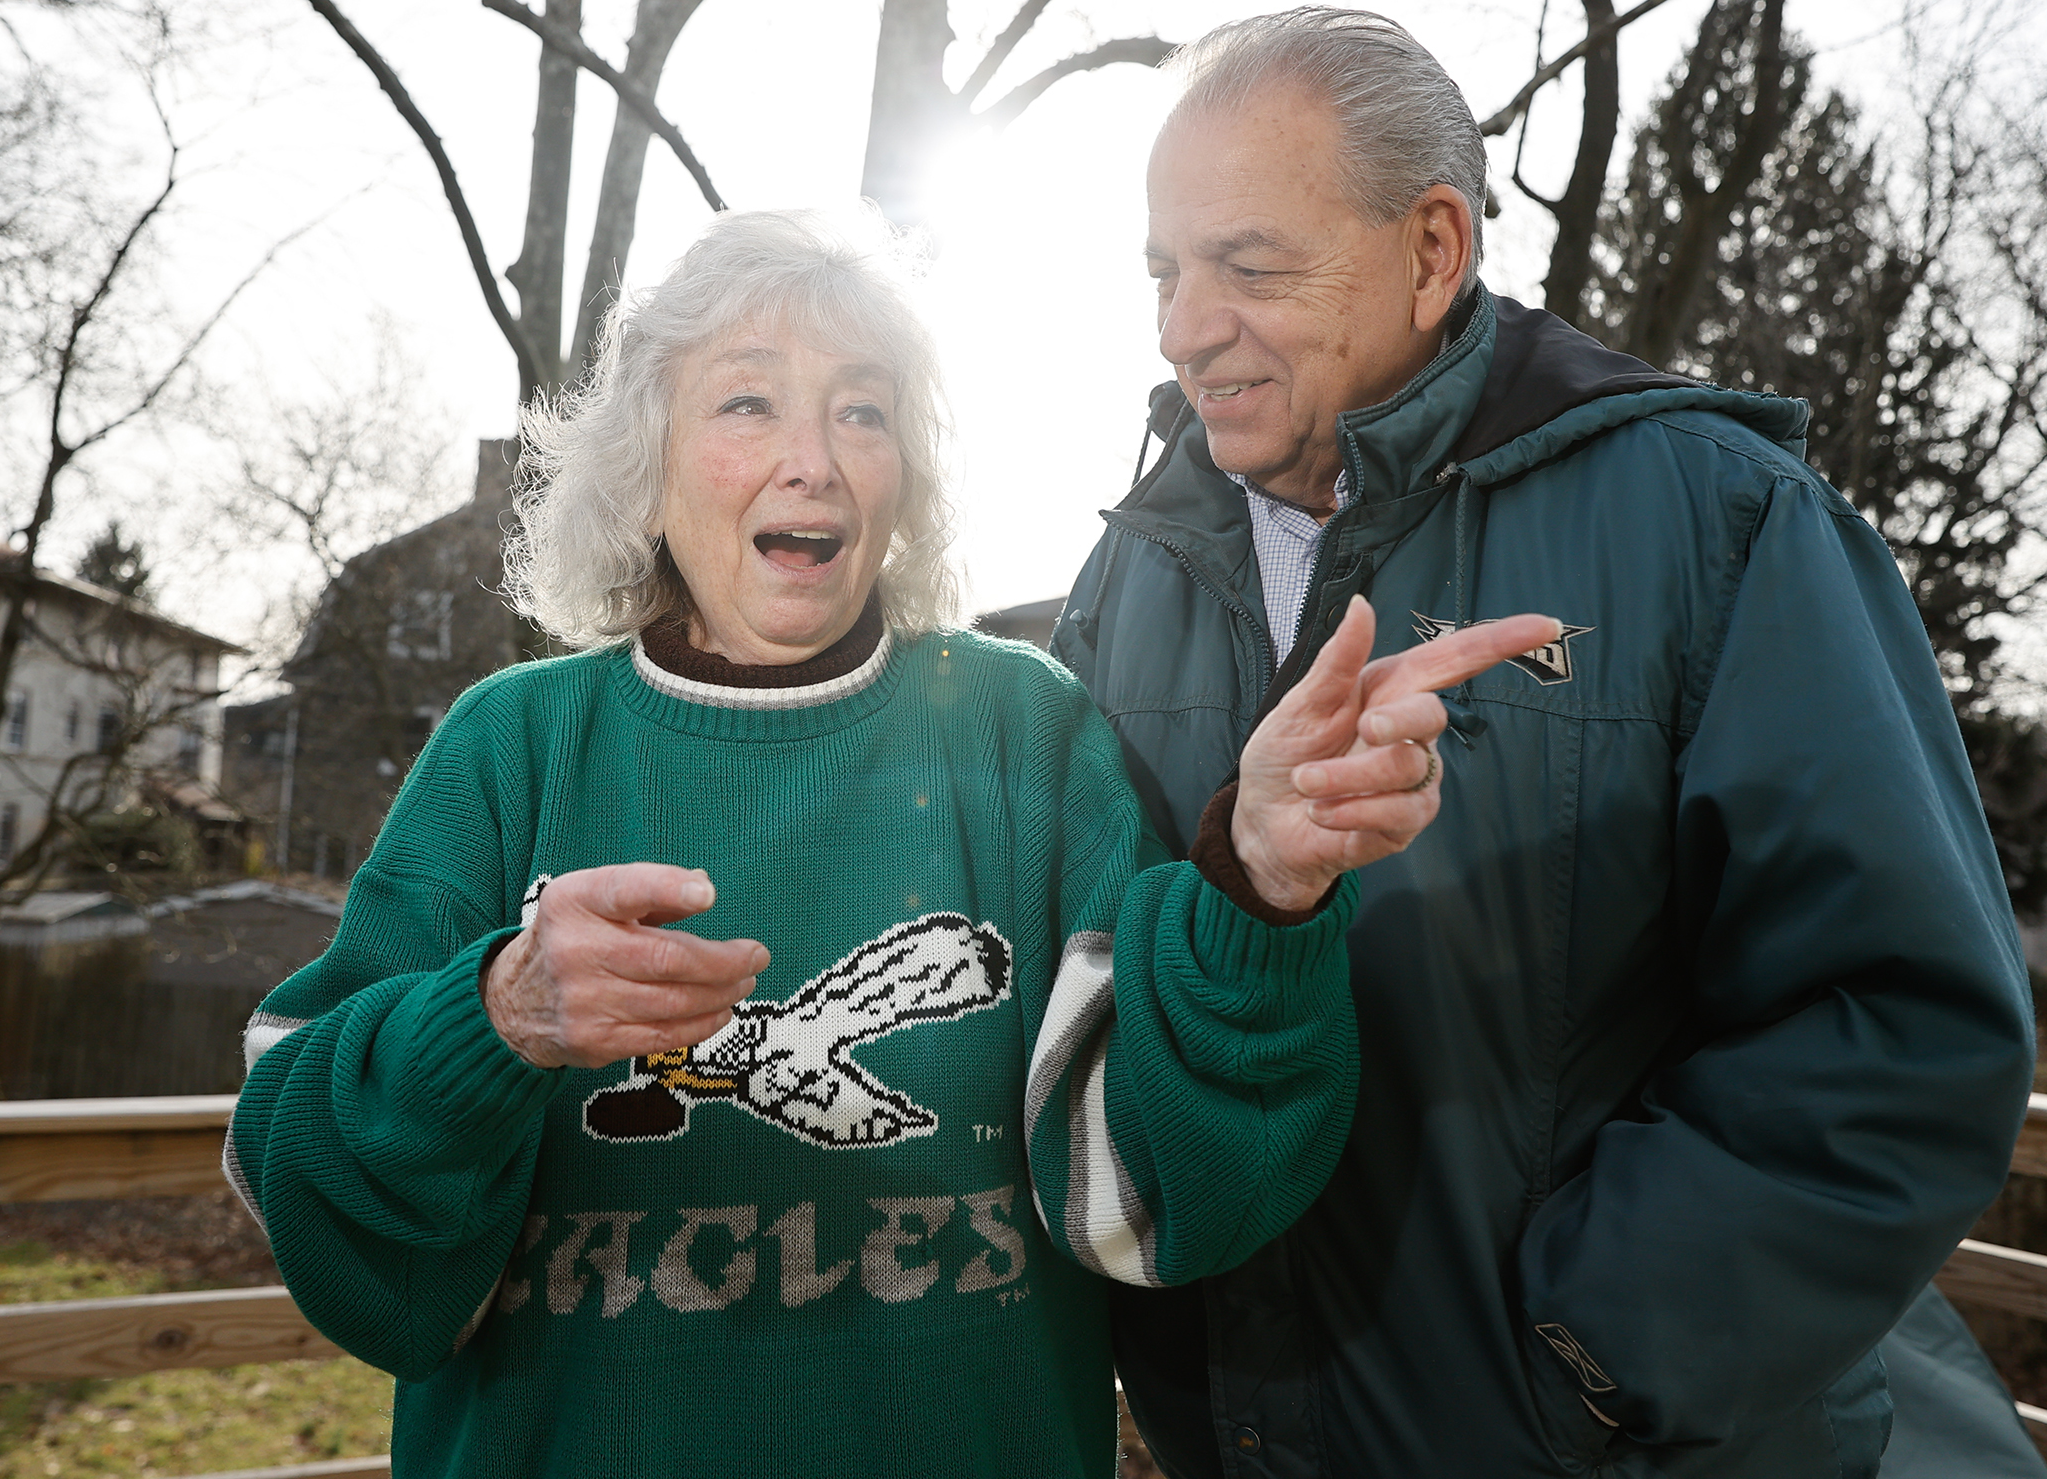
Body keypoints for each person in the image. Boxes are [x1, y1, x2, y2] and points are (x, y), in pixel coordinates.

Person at [222, 209, 1557, 1479]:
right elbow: (333, 1229)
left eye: (861, 409)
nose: (815, 456)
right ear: (647, 465)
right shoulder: (508, 747)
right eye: (749, 402)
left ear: (902, 473)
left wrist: (1260, 892)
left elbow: (1158, 1201)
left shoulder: (1022, 731)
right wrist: (496, 1018)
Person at [1053, 8, 2044, 1478]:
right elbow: (1090, 991)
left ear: (1433, 249)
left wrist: (1592, 1355)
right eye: (1165, 271)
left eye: (1248, 266)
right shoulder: (1123, 579)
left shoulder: (1720, 518)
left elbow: (1900, 1023)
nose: (1184, 325)